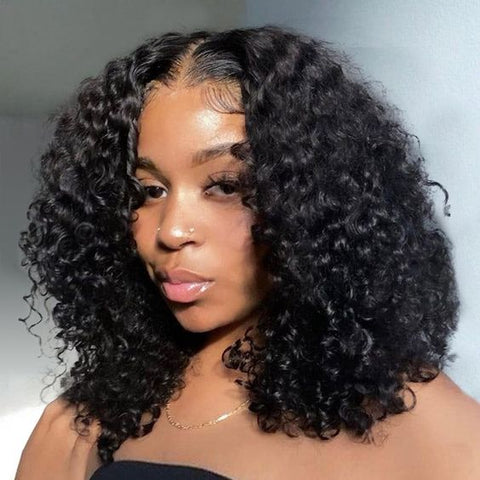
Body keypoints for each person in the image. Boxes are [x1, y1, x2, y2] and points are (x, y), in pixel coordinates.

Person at [14, 25, 480, 480]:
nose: (171, 230)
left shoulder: (427, 430)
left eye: (225, 186)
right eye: (149, 191)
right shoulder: (83, 425)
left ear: (313, 202)